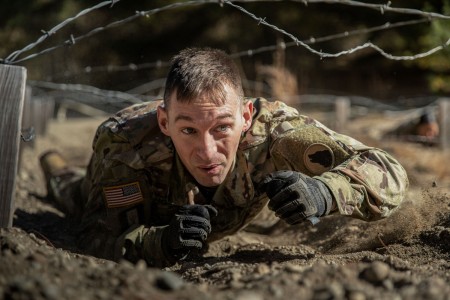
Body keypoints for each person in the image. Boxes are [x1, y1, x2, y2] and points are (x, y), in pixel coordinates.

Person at [40, 47, 409, 267]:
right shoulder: (125, 143)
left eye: (221, 128)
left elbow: (387, 169)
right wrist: (161, 242)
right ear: (165, 122)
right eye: (188, 130)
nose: (207, 151)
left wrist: (325, 193)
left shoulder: (277, 133)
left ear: (247, 117)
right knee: (68, 191)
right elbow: (94, 237)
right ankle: (52, 164)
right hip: (136, 205)